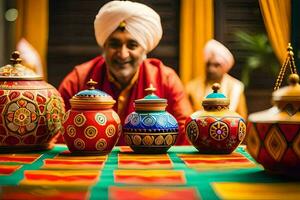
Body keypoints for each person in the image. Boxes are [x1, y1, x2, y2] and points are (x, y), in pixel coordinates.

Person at [58, 1, 193, 145]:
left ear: (144, 50)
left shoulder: (165, 79)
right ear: (104, 46)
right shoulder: (80, 78)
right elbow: (57, 131)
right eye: (114, 44)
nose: (123, 54)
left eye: (132, 45)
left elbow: (186, 133)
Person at [185, 39, 248, 119]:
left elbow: (242, 118)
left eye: (216, 65)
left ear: (225, 67)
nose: (211, 69)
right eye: (208, 64)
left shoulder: (236, 87)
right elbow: (187, 117)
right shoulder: (191, 87)